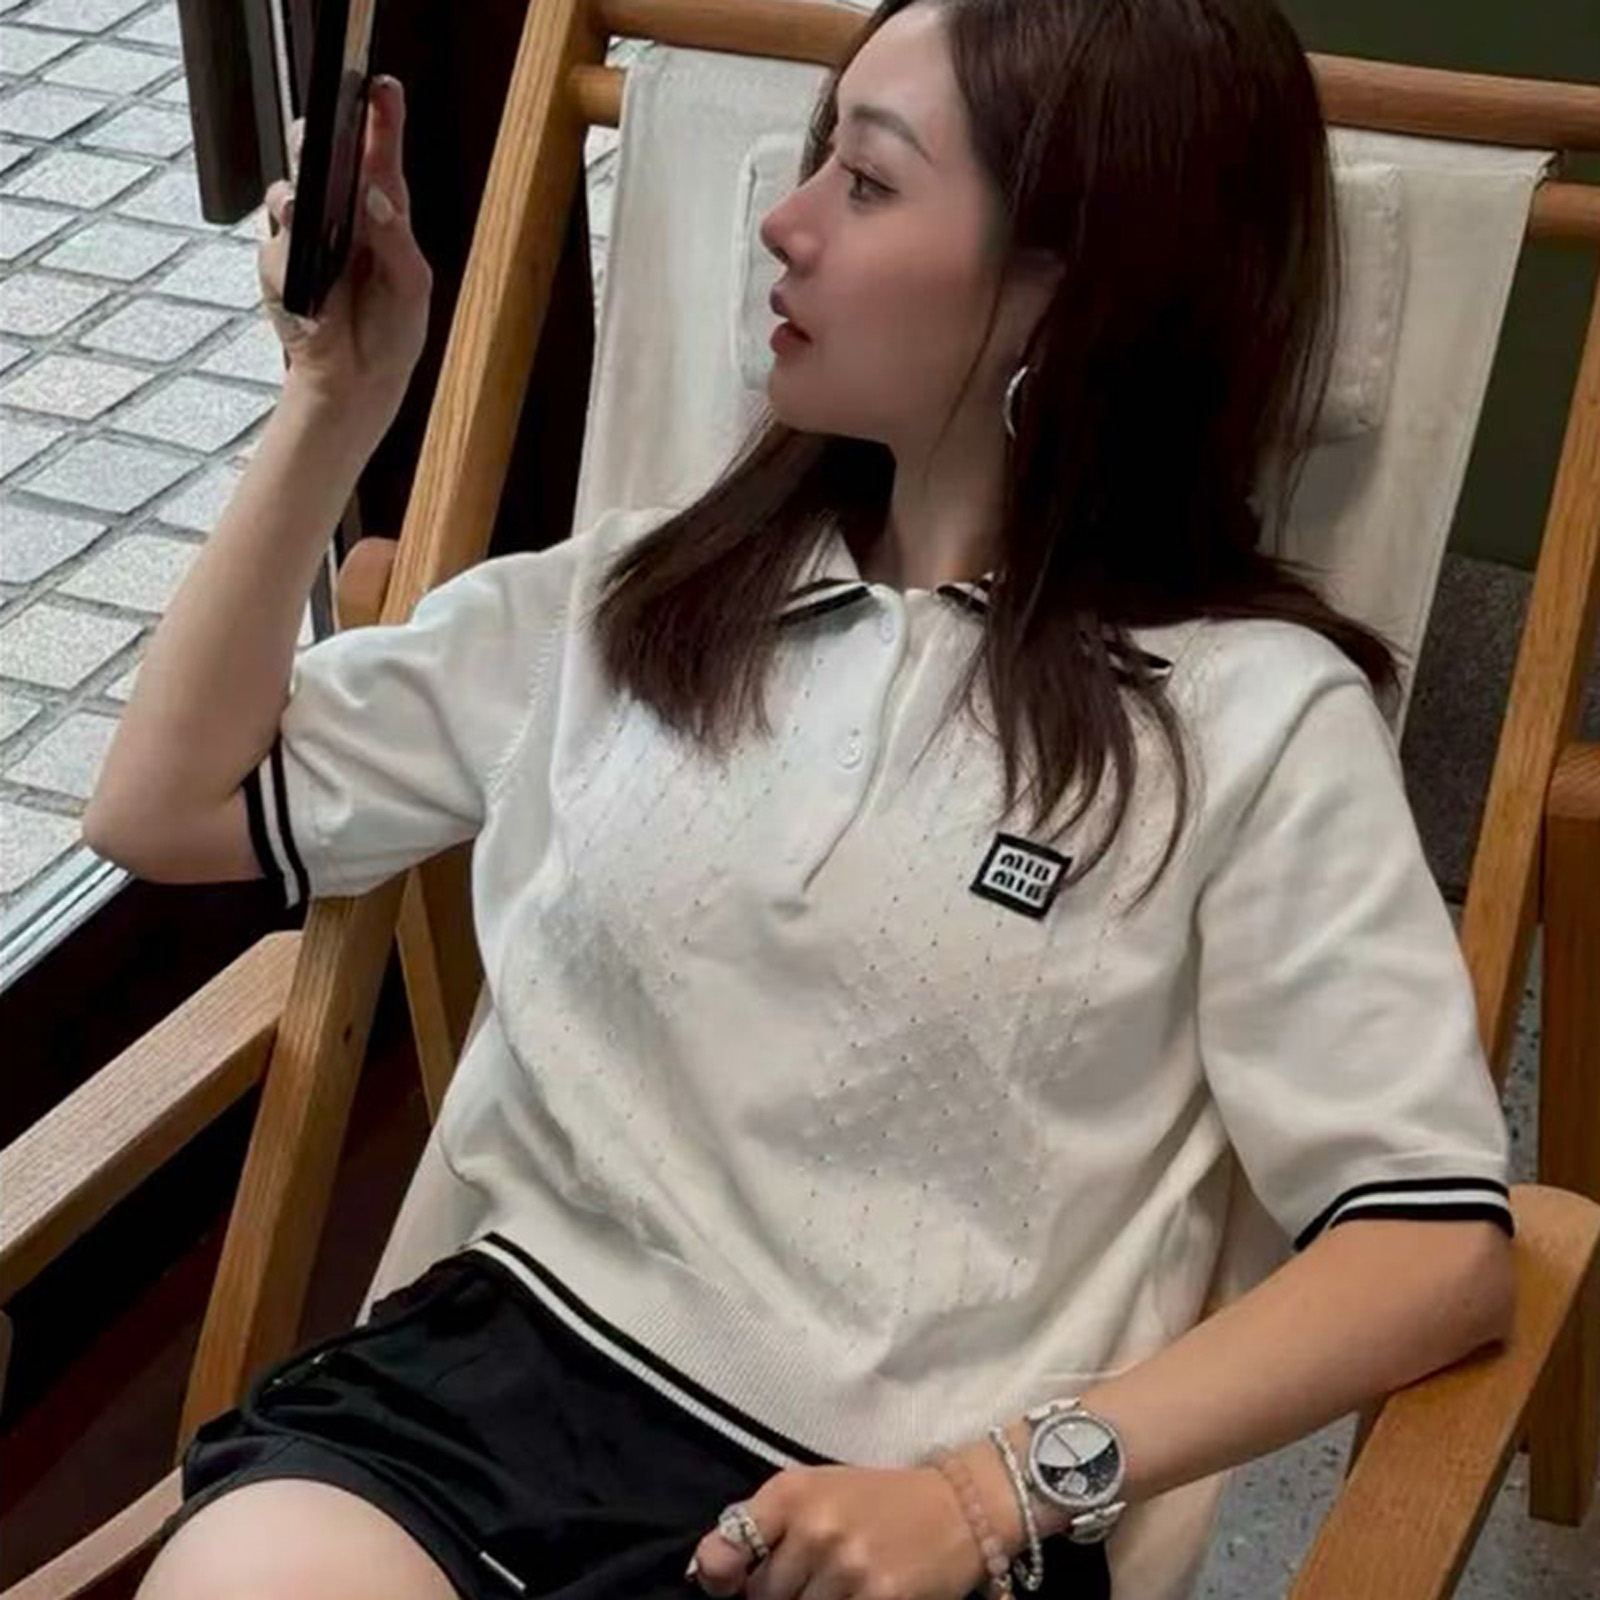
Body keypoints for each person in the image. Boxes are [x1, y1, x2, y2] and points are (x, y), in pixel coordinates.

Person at [84, 1, 1517, 1598]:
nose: (785, 215)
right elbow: (168, 810)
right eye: (820, 152)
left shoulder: (1245, 719)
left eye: (869, 180)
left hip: (895, 1517)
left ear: (1073, 284)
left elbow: (1435, 1246)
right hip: (482, 1407)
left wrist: (994, 1490)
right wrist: (334, 401)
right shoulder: (648, 594)